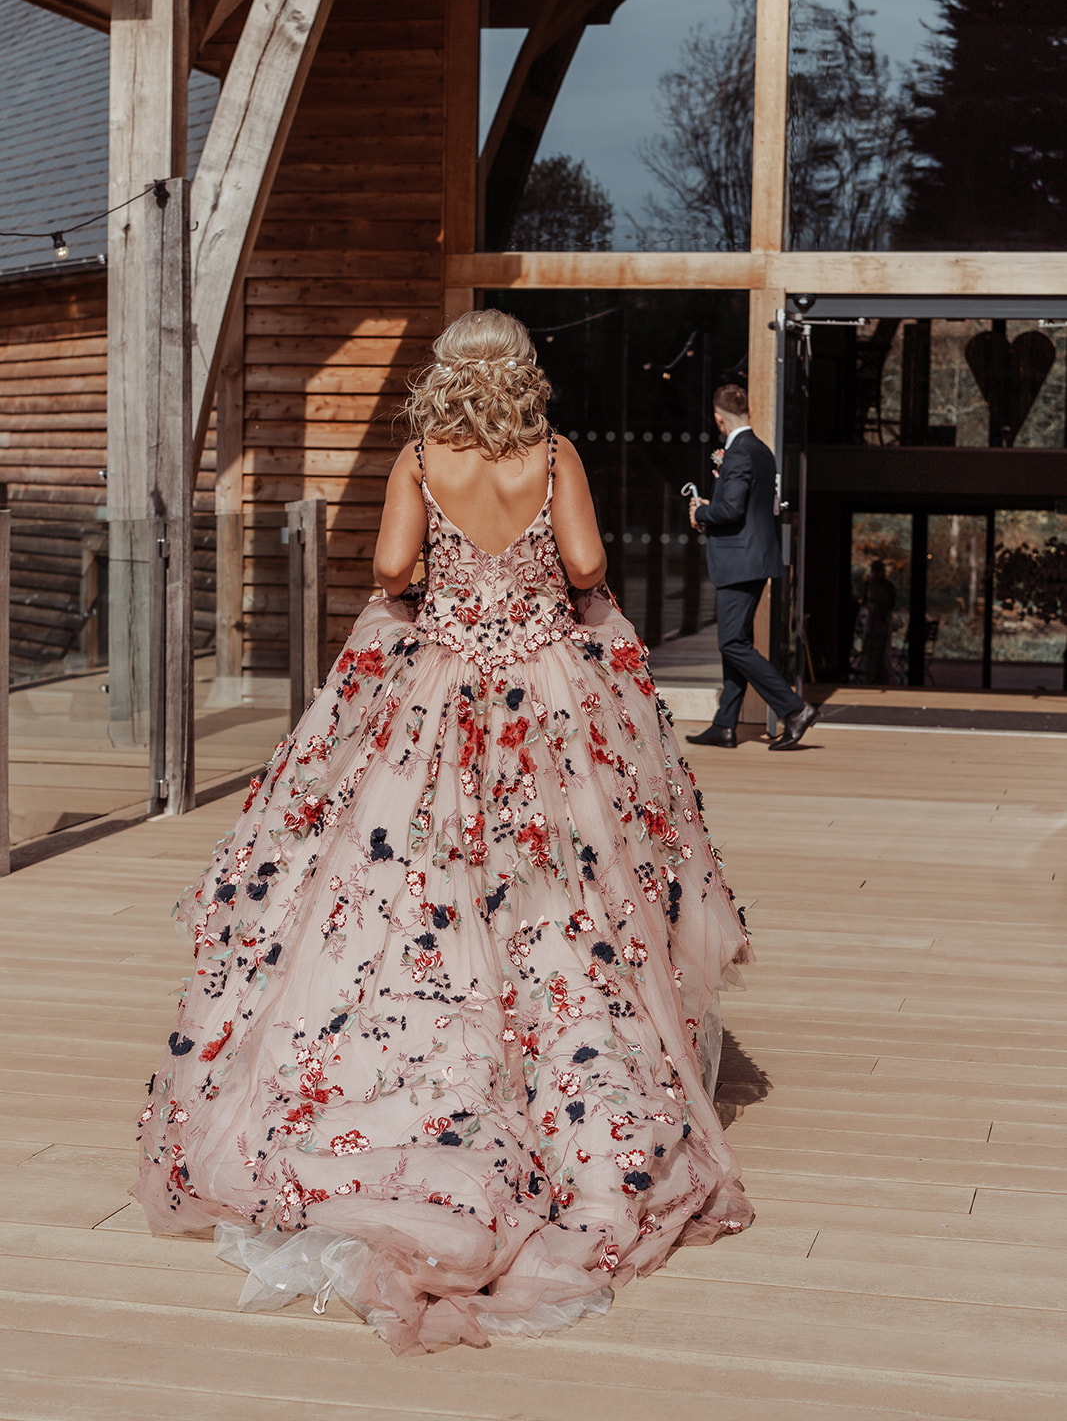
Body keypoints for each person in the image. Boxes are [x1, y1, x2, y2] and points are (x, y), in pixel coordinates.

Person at [135, 310, 753, 1356]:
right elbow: (588, 561)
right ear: (520, 376)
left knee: (407, 880)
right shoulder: (551, 452)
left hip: (437, 691)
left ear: (443, 376)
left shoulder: (420, 456)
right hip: (543, 693)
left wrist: (445, 575)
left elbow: (386, 571)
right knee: (564, 890)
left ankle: (428, 1061)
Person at [686, 384, 819, 752]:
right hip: (751, 557)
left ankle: (794, 709)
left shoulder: (739, 453)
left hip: (740, 560)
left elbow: (731, 510)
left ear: (718, 417)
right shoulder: (761, 451)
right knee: (736, 642)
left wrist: (701, 513)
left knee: (732, 642)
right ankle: (725, 725)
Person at [859, 559, 896, 684]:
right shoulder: (868, 584)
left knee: (881, 650)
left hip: (882, 622)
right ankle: (870, 675)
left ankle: (881, 676)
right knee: (870, 650)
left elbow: (891, 604)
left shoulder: (887, 586)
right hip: (871, 622)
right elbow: (864, 601)